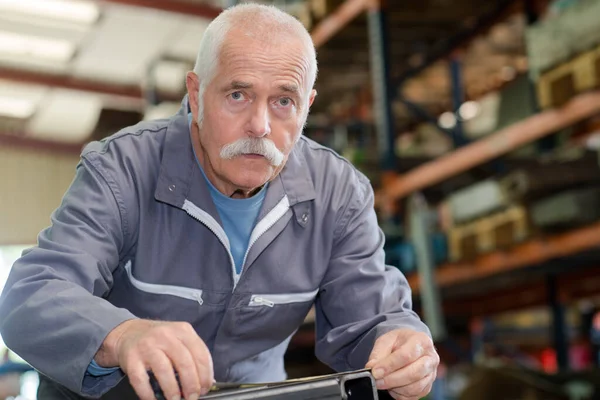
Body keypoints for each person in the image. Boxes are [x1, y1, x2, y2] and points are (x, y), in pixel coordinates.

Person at [0, 3, 439, 400]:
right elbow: (31, 297)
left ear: (307, 106)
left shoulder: (339, 195)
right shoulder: (124, 169)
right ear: (195, 94)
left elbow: (373, 319)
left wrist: (402, 345)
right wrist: (121, 335)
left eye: (283, 101)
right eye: (237, 95)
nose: (260, 126)